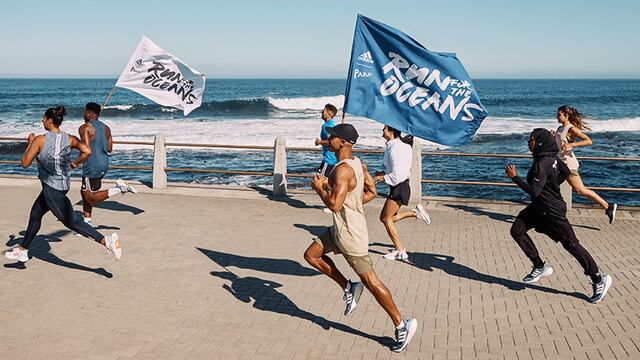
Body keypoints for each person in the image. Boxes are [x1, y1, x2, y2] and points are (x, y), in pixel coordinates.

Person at [303, 123, 418, 352]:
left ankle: (401, 323)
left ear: (344, 142)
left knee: (372, 283)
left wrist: (319, 189)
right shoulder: (358, 164)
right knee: (311, 255)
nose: (329, 139)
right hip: (340, 230)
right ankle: (348, 287)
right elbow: (371, 193)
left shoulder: (341, 170)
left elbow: (334, 205)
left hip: (350, 236)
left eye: (333, 137)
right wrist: (352, 204)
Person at [505, 128, 612, 303]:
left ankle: (598, 278)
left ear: (539, 142)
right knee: (517, 229)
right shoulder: (550, 158)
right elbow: (565, 172)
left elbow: (534, 191)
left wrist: (514, 177)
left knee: (572, 245)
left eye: (531, 139)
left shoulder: (542, 163)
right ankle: (540, 266)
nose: (528, 142)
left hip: (552, 211)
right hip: (540, 208)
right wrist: (551, 185)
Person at [4, 106, 122, 263]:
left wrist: (30, 144)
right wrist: (75, 163)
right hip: (61, 185)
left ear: (50, 121)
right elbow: (87, 150)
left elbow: (25, 163)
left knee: (71, 221)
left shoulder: (40, 140)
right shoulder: (69, 138)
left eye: (44, 118)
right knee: (35, 215)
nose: (42, 121)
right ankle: (23, 250)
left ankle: (106, 241)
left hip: (52, 189)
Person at [77, 102, 137, 232]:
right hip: (104, 164)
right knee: (86, 194)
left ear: (89, 113)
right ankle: (86, 226)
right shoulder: (106, 128)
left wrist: (75, 162)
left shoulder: (84, 128)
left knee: (90, 198)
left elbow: (86, 149)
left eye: (85, 111)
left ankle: (118, 189)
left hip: (91, 165)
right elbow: (110, 149)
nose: (83, 114)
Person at [373, 125, 430, 261]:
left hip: (400, 187)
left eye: (385, 129)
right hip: (398, 187)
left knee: (386, 219)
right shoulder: (393, 146)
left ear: (391, 132)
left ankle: (400, 251)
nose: (382, 130)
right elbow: (395, 169)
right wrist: (382, 174)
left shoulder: (397, 148)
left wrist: (380, 178)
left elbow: (398, 175)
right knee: (385, 218)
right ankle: (415, 212)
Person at [554, 105, 617, 223]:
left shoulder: (571, 129)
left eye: (559, 115)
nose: (556, 117)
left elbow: (588, 141)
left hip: (568, 165)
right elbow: (559, 143)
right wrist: (553, 135)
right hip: (559, 164)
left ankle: (608, 207)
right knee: (549, 186)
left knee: (580, 190)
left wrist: (571, 145)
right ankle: (549, 212)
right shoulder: (559, 128)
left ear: (566, 116)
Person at [313, 104, 338, 177]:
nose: (321, 112)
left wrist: (319, 142)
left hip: (329, 160)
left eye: (323, 111)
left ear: (329, 114)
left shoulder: (326, 126)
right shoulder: (333, 124)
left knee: (319, 182)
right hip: (334, 160)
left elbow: (331, 141)